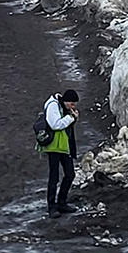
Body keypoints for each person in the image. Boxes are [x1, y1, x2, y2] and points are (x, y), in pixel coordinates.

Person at [40, 89, 79, 217]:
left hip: (63, 146)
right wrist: (71, 117)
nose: (72, 107)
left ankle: (62, 203)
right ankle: (52, 206)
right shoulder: (53, 106)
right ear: (66, 101)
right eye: (72, 104)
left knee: (70, 174)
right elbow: (55, 125)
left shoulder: (62, 106)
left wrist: (71, 118)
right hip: (53, 146)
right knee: (54, 177)